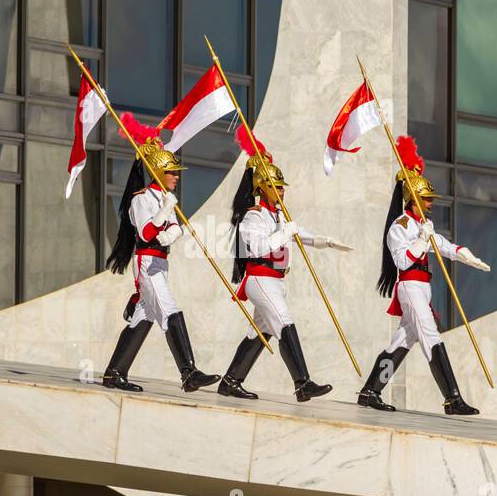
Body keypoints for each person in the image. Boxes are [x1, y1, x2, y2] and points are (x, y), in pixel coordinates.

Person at [358, 136, 490, 416]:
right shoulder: (400, 226)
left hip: (422, 287)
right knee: (431, 336)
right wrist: (421, 240)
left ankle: (370, 391)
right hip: (410, 286)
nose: (431, 203)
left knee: (402, 342)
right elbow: (402, 260)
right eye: (427, 198)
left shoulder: (423, 225)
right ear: (414, 199)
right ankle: (452, 398)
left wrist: (469, 257)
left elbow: (445, 247)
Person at [217, 144, 352, 402]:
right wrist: (285, 232)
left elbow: (304, 237)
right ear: (263, 188)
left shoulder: (279, 216)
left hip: (277, 280)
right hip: (260, 278)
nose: (282, 191)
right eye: (277, 187)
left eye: (282, 187)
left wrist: (329, 242)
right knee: (284, 321)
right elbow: (256, 248)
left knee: (260, 331)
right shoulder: (252, 217)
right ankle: (303, 383)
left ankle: (231, 380)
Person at [101, 114, 221, 393]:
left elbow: (177, 228)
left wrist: (173, 231)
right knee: (170, 311)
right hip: (147, 262)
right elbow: (144, 232)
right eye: (172, 172)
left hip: (160, 262)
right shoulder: (142, 198)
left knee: (143, 318)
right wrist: (165, 210)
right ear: (157, 172)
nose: (176, 177)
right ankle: (189, 372)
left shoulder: (163, 197)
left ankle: (114, 373)